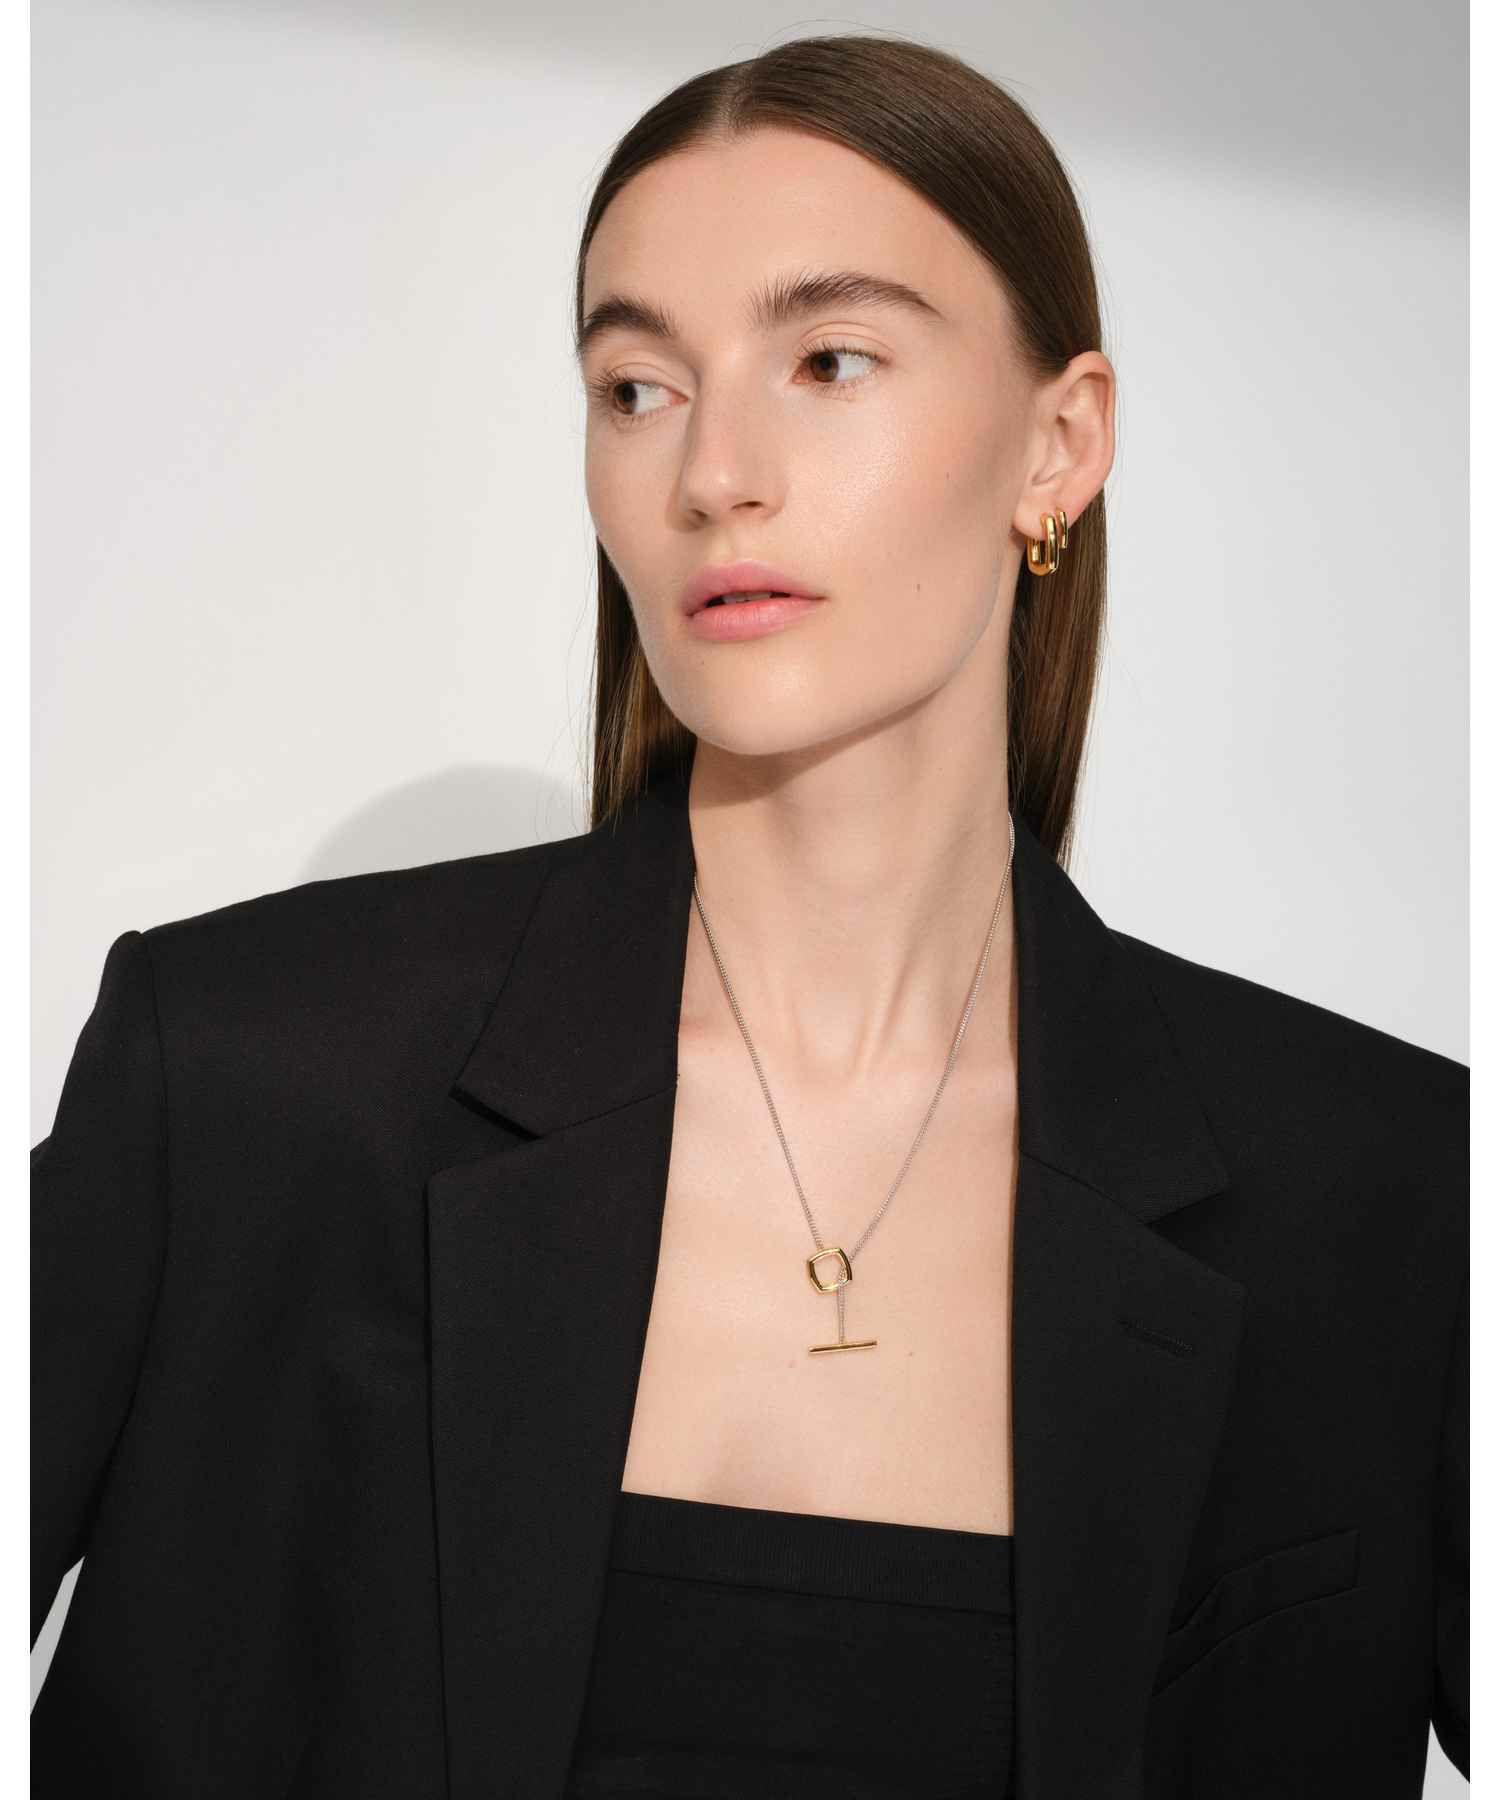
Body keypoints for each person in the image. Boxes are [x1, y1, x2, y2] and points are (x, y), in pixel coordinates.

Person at [31, 33, 1467, 1800]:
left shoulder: (1386, 1190)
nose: (714, 471)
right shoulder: (243, 1082)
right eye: (638, 386)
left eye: (829, 359)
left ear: (1060, 444)